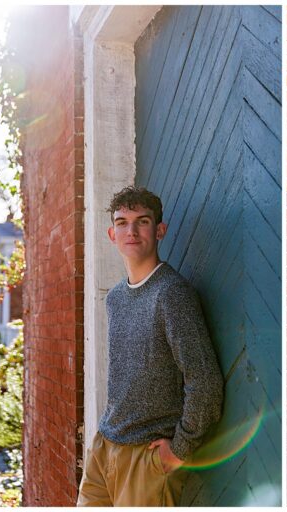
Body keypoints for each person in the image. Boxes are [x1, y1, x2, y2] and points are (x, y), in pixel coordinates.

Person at [77, 186, 224, 506]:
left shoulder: (172, 294)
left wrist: (181, 449)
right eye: (122, 222)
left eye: (142, 221)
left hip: (146, 460)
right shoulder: (115, 298)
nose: (131, 231)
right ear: (111, 234)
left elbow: (205, 382)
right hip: (104, 449)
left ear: (159, 230)